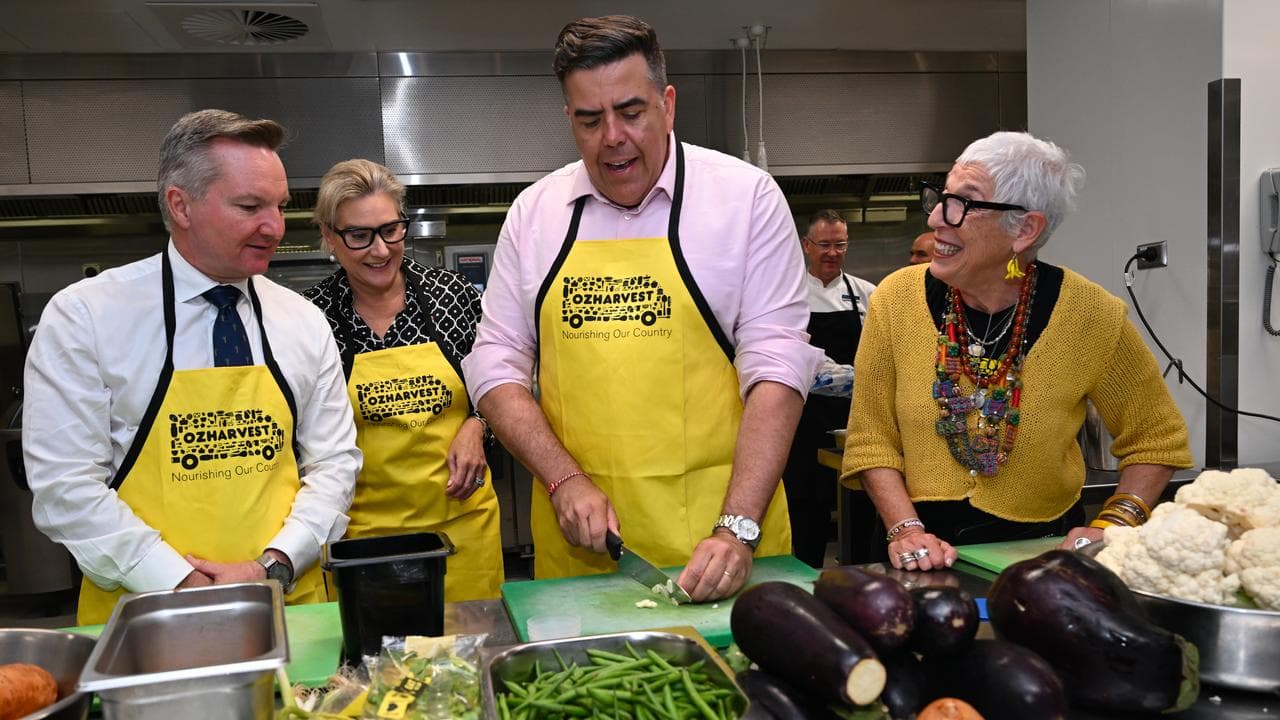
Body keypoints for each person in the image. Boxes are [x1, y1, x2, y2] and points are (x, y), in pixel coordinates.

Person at [462, 15, 820, 602]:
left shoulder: (745, 199)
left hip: (723, 547)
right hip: (582, 554)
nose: (612, 138)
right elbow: (495, 367)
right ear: (569, 121)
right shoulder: (534, 214)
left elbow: (778, 371)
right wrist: (563, 477)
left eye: (631, 112)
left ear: (667, 104)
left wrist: (737, 526)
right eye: (589, 119)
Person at [22, 109, 361, 625]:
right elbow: (65, 486)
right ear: (180, 205)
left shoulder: (302, 319)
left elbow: (334, 462)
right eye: (250, 206)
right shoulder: (87, 316)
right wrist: (174, 578)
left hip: (288, 609)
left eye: (279, 206)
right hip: (147, 615)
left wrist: (272, 566)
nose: (274, 227)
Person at [842, 131, 1193, 572]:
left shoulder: (1092, 314)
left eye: (963, 203)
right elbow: (871, 438)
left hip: (1042, 554)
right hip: (914, 549)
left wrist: (1114, 523)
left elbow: (1156, 439)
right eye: (940, 196)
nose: (935, 218)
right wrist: (905, 529)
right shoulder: (896, 299)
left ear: (1024, 229)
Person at [303, 159, 504, 601]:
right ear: (328, 236)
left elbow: (506, 380)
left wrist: (478, 424)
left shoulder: (454, 297)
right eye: (358, 236)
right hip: (362, 544)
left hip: (461, 533)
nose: (380, 251)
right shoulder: (310, 320)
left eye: (391, 230)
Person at [782, 209, 876, 568]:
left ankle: (861, 576)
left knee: (860, 501)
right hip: (802, 417)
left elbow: (881, 355)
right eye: (824, 244)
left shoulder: (867, 294)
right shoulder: (790, 295)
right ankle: (805, 578)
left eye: (839, 245)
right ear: (807, 245)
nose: (832, 252)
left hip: (855, 418)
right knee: (805, 503)